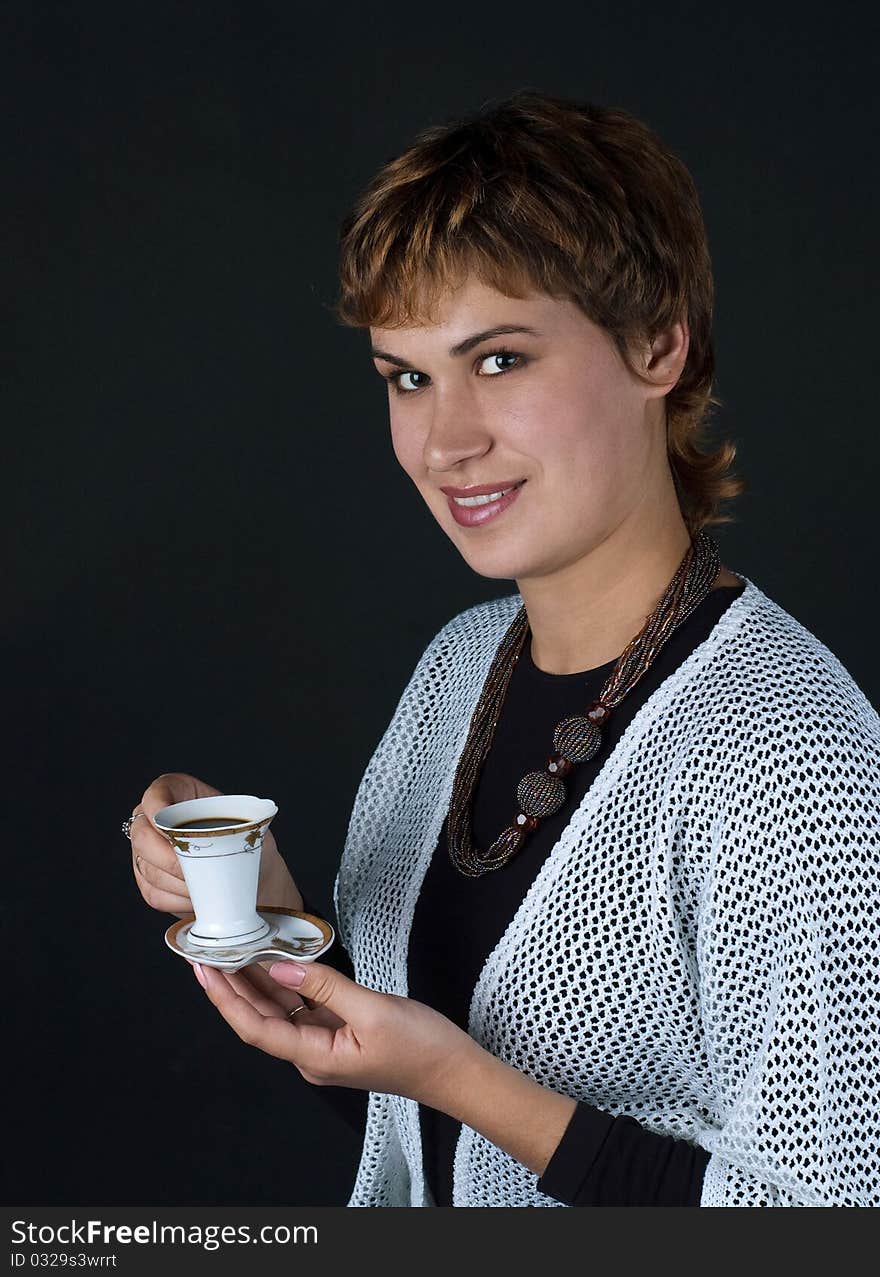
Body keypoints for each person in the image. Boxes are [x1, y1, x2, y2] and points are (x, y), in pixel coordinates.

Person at [127, 90, 880, 1207]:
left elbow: (824, 1222)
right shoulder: (458, 669)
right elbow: (424, 1133)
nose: (445, 442)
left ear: (658, 342)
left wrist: (464, 1080)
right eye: (408, 376)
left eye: (500, 359)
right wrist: (268, 930)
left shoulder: (790, 753)